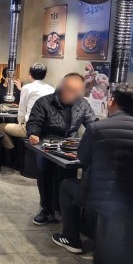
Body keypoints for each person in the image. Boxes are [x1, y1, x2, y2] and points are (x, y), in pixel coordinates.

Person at [52, 84, 133, 253]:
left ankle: (71, 239)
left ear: (112, 101)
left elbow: (84, 158)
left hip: (104, 195)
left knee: (66, 185)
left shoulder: (98, 128)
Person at [26, 72, 96, 225]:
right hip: (47, 144)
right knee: (44, 169)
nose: (73, 94)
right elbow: (34, 122)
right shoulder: (44, 102)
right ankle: (46, 209)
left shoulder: (83, 104)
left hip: (71, 144)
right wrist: (33, 134)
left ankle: (65, 210)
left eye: (77, 91)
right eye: (70, 90)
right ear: (61, 87)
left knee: (70, 173)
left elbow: (93, 124)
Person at [0, 63, 54, 149]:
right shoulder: (52, 89)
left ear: (30, 74)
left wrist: (20, 123)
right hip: (48, 128)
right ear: (45, 75)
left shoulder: (27, 88)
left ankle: (12, 151)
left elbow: (22, 110)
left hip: (30, 128)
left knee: (0, 127)